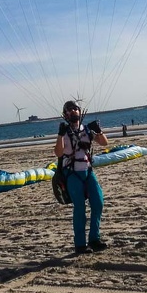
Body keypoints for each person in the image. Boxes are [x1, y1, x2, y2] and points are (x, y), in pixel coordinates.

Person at [54, 100, 109, 255]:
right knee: (80, 208)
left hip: (87, 171)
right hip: (72, 173)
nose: (73, 111)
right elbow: (58, 153)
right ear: (65, 114)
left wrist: (98, 131)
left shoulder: (87, 130)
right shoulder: (64, 132)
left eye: (75, 109)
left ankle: (94, 239)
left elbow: (104, 143)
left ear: (80, 111)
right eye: (69, 110)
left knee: (98, 202)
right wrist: (60, 135)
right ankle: (80, 244)